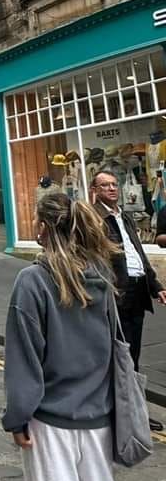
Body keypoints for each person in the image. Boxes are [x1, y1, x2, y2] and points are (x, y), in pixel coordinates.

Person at [3, 191, 120, 481]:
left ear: (43, 228)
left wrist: (17, 416)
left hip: (50, 421)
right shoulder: (101, 274)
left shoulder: (32, 281)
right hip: (99, 415)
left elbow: (23, 358)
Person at [92, 168, 166, 431]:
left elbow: (138, 254)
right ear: (95, 191)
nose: (112, 189)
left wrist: (155, 284)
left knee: (132, 355)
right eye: (105, 185)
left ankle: (134, 411)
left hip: (137, 291)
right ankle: (121, 413)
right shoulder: (94, 218)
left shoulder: (125, 216)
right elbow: (95, 258)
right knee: (119, 355)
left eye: (114, 184)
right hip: (117, 294)